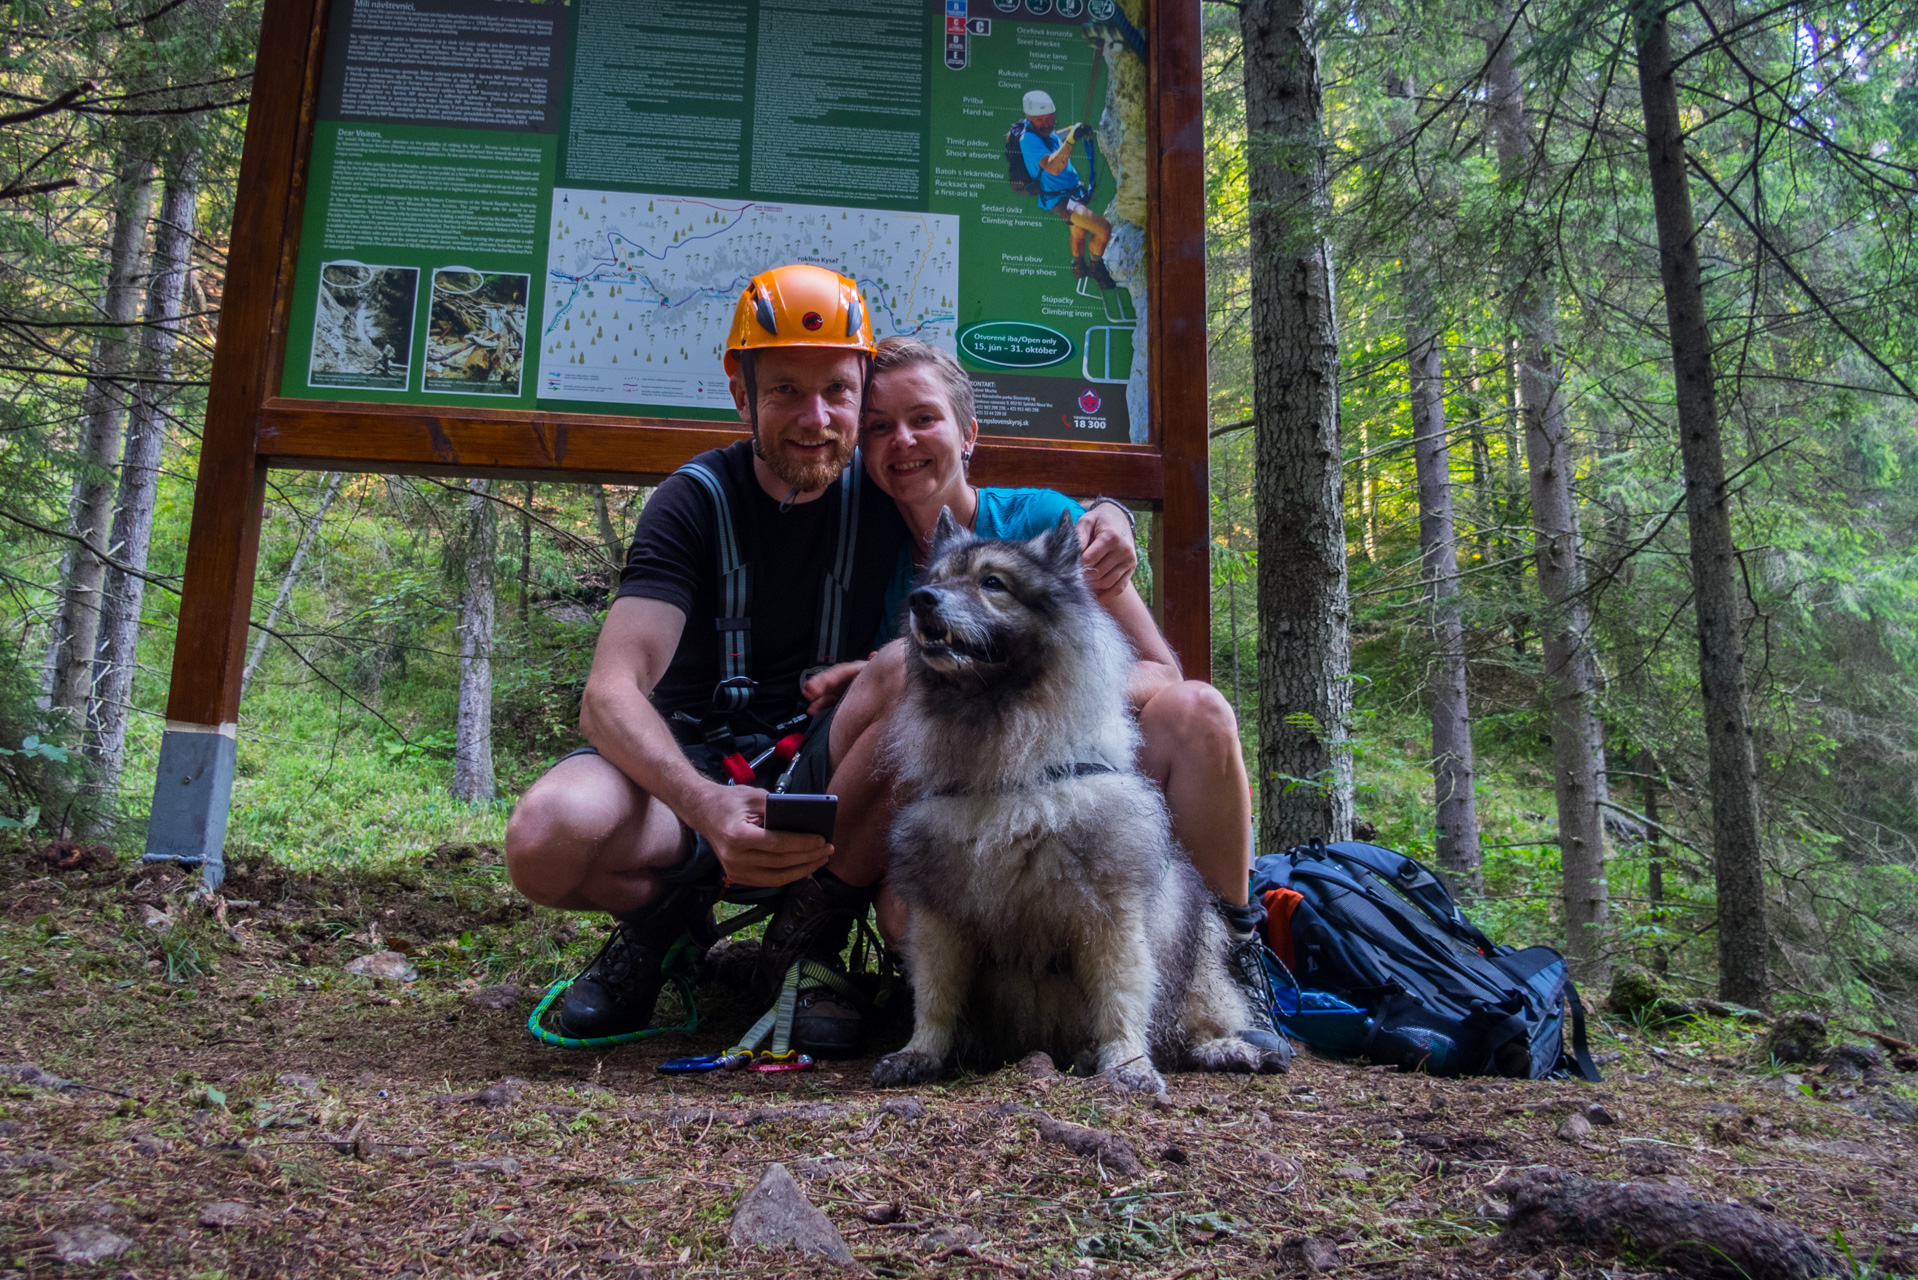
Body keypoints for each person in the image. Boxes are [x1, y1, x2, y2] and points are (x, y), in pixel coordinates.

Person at [503, 264, 911, 1057]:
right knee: (546, 836)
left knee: (908, 672)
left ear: (864, 394)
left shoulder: (894, 491)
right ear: (740, 392)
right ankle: (666, 932)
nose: (815, 418)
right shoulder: (694, 501)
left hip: (829, 775)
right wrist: (703, 803)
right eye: (786, 389)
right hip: (693, 768)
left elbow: (1005, 517)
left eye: (837, 389)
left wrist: (1102, 514)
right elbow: (609, 695)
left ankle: (806, 943)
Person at [842, 336, 1285, 1048]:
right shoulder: (855, 539)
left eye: (923, 419)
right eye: (878, 427)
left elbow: (1159, 671)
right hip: (952, 790)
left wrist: (1052, 695)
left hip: (1069, 767)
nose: (902, 441)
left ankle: (1234, 958)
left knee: (1201, 710)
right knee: (902, 916)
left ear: (968, 433)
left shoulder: (1043, 520)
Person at [1016, 89, 1117, 290]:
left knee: (1078, 233)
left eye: (1050, 118)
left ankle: (1078, 265)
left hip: (1069, 192)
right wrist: (1071, 141)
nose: (1047, 124)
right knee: (1103, 228)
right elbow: (1054, 167)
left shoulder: (1042, 130)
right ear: (1029, 118)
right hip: (1060, 199)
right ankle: (1096, 268)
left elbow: (1054, 134)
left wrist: (1073, 130)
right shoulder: (1028, 140)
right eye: (1041, 120)